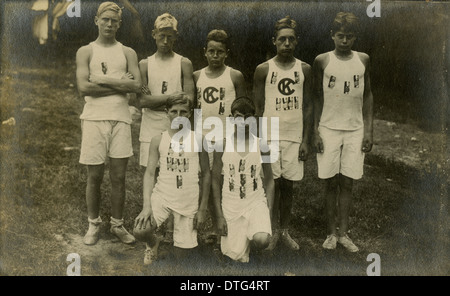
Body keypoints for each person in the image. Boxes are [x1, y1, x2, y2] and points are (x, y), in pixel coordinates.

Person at [76, 2, 141, 245]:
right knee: (94, 175)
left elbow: (136, 86)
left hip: (121, 118)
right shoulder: (86, 51)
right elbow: (84, 87)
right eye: (105, 19)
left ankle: (117, 224)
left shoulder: (128, 52)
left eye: (114, 21)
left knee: (119, 177)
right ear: (96, 20)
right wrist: (119, 84)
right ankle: (93, 224)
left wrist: (102, 80)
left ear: (120, 24)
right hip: (93, 118)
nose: (110, 24)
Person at [312, 12, 373, 252]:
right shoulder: (322, 60)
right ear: (332, 36)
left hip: (355, 129)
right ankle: (330, 233)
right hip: (328, 128)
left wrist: (369, 130)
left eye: (349, 37)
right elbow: (316, 96)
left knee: (347, 182)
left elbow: (367, 95)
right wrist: (316, 130)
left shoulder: (363, 59)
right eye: (340, 36)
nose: (344, 41)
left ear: (355, 37)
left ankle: (344, 233)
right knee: (329, 182)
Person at [253, 16, 313, 251]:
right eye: (282, 39)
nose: (286, 43)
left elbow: (308, 107)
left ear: (296, 42)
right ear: (274, 41)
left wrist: (306, 139)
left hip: (293, 136)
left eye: (291, 39)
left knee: (288, 185)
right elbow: (258, 109)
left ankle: (284, 231)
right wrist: (257, 141)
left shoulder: (305, 69)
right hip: (270, 135)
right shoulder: (263, 69)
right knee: (271, 183)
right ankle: (269, 230)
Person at [133, 93, 211, 265]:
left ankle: (180, 239)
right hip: (163, 196)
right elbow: (150, 174)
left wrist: (203, 207)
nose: (178, 116)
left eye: (183, 112)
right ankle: (153, 243)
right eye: (174, 111)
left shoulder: (199, 139)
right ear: (166, 112)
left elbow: (206, 173)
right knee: (140, 230)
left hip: (187, 199)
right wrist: (147, 207)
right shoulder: (158, 140)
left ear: (190, 113)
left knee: (181, 259)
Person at [193, 29, 246, 245]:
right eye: (211, 51)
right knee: (201, 180)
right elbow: (193, 108)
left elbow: (243, 108)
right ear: (205, 52)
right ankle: (196, 226)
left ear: (227, 53)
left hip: (227, 136)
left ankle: (220, 225)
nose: (215, 56)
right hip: (202, 136)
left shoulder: (234, 75)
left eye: (220, 52)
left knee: (224, 181)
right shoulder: (196, 75)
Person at [211, 97, 274, 263]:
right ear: (232, 119)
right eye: (239, 116)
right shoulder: (222, 144)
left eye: (248, 117)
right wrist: (219, 216)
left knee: (262, 239)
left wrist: (268, 210)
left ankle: (255, 235)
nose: (244, 122)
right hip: (231, 204)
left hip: (255, 201)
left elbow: (269, 180)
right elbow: (215, 181)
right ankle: (243, 238)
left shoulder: (262, 145)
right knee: (233, 255)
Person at [138, 12, 195, 168]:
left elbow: (189, 100)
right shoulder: (145, 64)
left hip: (177, 124)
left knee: (176, 172)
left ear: (175, 36)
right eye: (161, 35)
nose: (165, 41)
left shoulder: (184, 63)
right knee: (151, 172)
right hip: (150, 125)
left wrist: (155, 101)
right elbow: (143, 100)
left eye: (169, 37)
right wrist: (175, 96)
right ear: (153, 34)